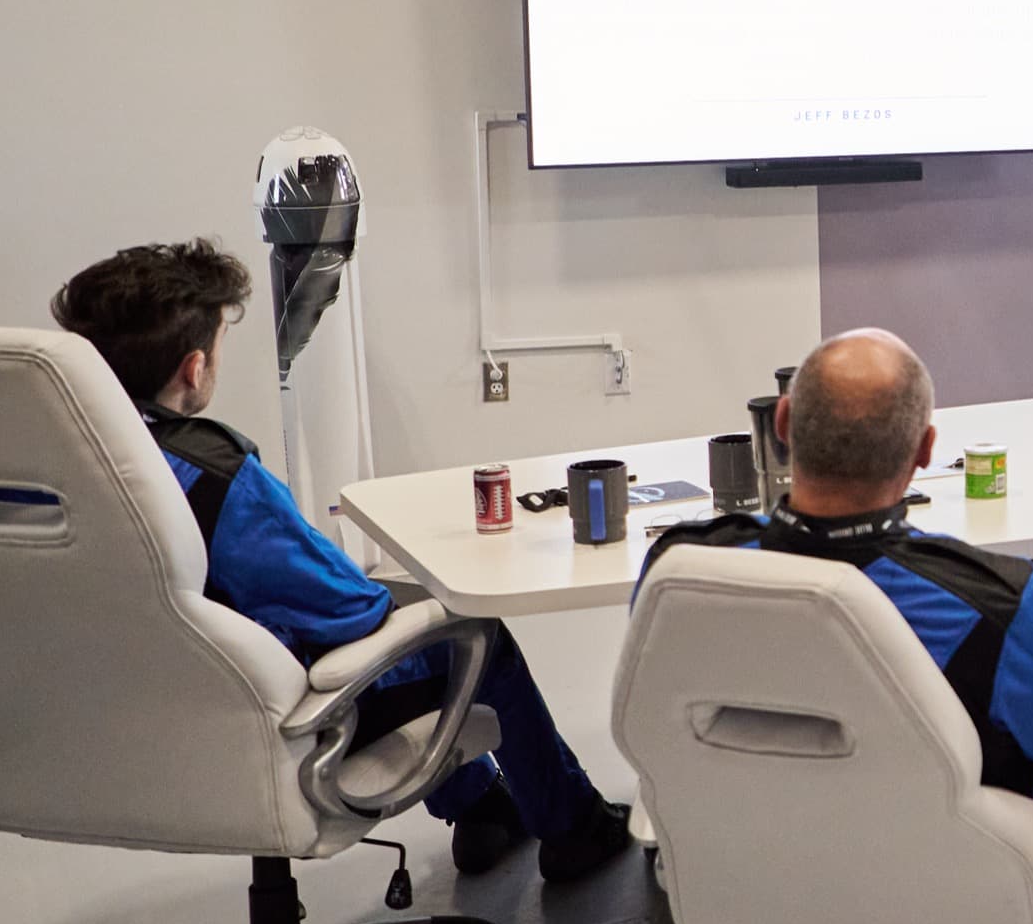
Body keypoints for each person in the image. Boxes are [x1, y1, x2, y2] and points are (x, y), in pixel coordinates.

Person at [51, 241, 633, 881]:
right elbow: (352, 612)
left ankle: (483, 808)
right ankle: (572, 828)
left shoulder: (41, 466)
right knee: (470, 636)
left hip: (105, 713)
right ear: (194, 369)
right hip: (254, 707)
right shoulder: (214, 475)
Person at [647, 329, 1033, 802]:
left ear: (781, 424)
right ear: (926, 448)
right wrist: (1024, 616)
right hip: (953, 864)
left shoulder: (677, 569)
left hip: (744, 846)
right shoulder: (988, 602)